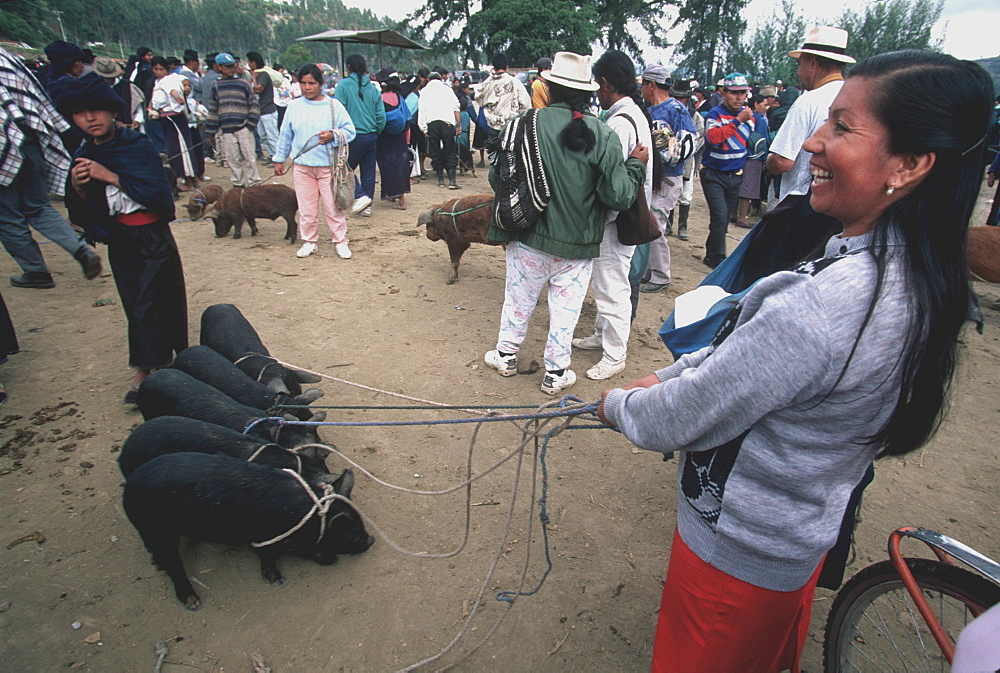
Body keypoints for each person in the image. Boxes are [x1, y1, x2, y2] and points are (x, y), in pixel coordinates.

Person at [597, 49, 994, 672]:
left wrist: (619, 405)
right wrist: (671, 373)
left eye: (842, 127)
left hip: (736, 560)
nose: (812, 140)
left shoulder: (827, 304)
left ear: (911, 164)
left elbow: (685, 414)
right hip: (795, 541)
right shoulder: (913, 272)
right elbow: (743, 359)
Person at [483, 51, 648, 396]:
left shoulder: (521, 124)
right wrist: (634, 166)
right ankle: (556, 373)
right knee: (565, 311)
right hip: (578, 245)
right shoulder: (603, 134)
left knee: (518, 299)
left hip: (527, 236)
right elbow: (618, 197)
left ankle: (505, 356)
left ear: (548, 87)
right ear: (589, 91)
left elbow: (498, 178)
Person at [53, 73, 188, 404]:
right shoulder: (84, 153)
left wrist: (109, 175)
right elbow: (83, 214)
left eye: (96, 110)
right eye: (80, 114)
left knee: (152, 302)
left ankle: (148, 368)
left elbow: (159, 196)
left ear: (112, 111)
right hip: (121, 239)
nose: (89, 119)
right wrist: (81, 188)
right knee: (134, 302)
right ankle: (160, 361)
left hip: (152, 234)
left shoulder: (137, 146)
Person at [570, 50, 653, 382]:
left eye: (598, 86)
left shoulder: (619, 122)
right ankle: (602, 335)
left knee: (611, 287)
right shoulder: (631, 114)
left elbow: (613, 180)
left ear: (605, 83)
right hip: (622, 214)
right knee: (609, 282)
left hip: (616, 218)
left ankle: (615, 354)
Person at [0, 47, 102, 290]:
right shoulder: (7, 57)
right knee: (38, 206)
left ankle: (36, 271)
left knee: (7, 215)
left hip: (5, 142)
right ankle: (79, 248)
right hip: (32, 139)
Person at [272, 64, 356, 260]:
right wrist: (278, 159)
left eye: (312, 83)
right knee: (306, 209)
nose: (307, 87)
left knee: (333, 207)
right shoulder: (293, 106)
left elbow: (350, 130)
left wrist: (333, 135)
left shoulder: (333, 106)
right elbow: (285, 135)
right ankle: (309, 241)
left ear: (320, 84)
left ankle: (340, 241)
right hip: (302, 168)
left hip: (328, 168)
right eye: (303, 83)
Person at [767, 27, 856, 206]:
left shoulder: (808, 101)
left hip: (801, 202)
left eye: (800, 64)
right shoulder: (855, 96)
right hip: (841, 204)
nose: (799, 72)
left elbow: (781, 162)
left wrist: (768, 162)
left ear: (813, 64)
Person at [634, 65, 697, 295]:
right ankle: (649, 270)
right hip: (654, 178)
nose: (642, 89)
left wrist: (667, 156)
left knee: (655, 225)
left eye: (644, 85)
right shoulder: (649, 110)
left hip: (669, 179)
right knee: (648, 221)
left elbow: (690, 142)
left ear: (651, 85)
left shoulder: (676, 110)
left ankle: (661, 275)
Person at [700, 72, 755, 269]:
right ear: (724, 93)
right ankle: (717, 258)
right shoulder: (715, 114)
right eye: (734, 93)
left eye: (742, 93)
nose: (739, 97)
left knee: (722, 221)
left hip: (735, 176)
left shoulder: (750, 117)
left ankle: (712, 253)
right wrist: (738, 120)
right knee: (720, 217)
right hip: (713, 174)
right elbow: (714, 137)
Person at [334, 54, 386, 217]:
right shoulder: (373, 88)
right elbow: (381, 116)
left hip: (350, 136)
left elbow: (337, 112)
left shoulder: (342, 86)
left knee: (343, 168)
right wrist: (376, 131)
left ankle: (360, 195)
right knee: (368, 171)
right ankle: (367, 203)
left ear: (348, 66)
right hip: (371, 135)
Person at [205, 52, 261, 189]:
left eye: (232, 66)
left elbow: (254, 104)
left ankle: (254, 184)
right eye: (227, 66)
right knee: (233, 159)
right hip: (226, 129)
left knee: (250, 158)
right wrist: (210, 130)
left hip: (243, 127)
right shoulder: (216, 85)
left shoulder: (243, 84)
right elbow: (213, 108)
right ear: (219, 67)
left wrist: (250, 124)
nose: (231, 69)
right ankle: (238, 184)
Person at [149, 56, 199, 192]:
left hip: (173, 117)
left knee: (180, 149)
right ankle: (192, 178)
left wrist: (178, 98)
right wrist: (151, 108)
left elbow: (173, 91)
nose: (159, 72)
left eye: (161, 69)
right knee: (177, 148)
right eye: (156, 69)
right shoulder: (159, 82)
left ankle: (188, 180)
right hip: (166, 118)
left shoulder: (168, 80)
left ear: (167, 69)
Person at [374, 67, 410, 209]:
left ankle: (392, 194)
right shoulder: (400, 99)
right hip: (400, 137)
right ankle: (401, 198)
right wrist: (407, 140)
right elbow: (407, 121)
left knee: (387, 167)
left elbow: (377, 119)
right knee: (400, 166)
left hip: (384, 138)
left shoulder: (379, 99)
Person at [418, 71, 461, 189]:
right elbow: (456, 107)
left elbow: (422, 111)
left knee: (435, 152)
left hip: (432, 124)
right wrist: (459, 125)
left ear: (428, 80)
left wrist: (423, 128)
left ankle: (440, 180)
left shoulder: (425, 91)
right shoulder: (448, 90)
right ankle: (452, 181)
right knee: (450, 150)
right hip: (447, 124)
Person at [475, 52, 530, 140]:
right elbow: (526, 105)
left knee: (493, 152)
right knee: (510, 153)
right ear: (506, 67)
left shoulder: (488, 83)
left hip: (493, 126)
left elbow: (478, 97)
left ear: (493, 67)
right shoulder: (515, 82)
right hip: (511, 127)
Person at [246, 51, 278, 166]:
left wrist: (254, 78)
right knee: (264, 136)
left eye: (249, 62)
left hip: (268, 110)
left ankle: (276, 159)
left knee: (271, 136)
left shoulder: (263, 75)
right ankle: (271, 155)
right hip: (260, 111)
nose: (248, 64)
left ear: (253, 62)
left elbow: (258, 89)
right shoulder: (260, 74)